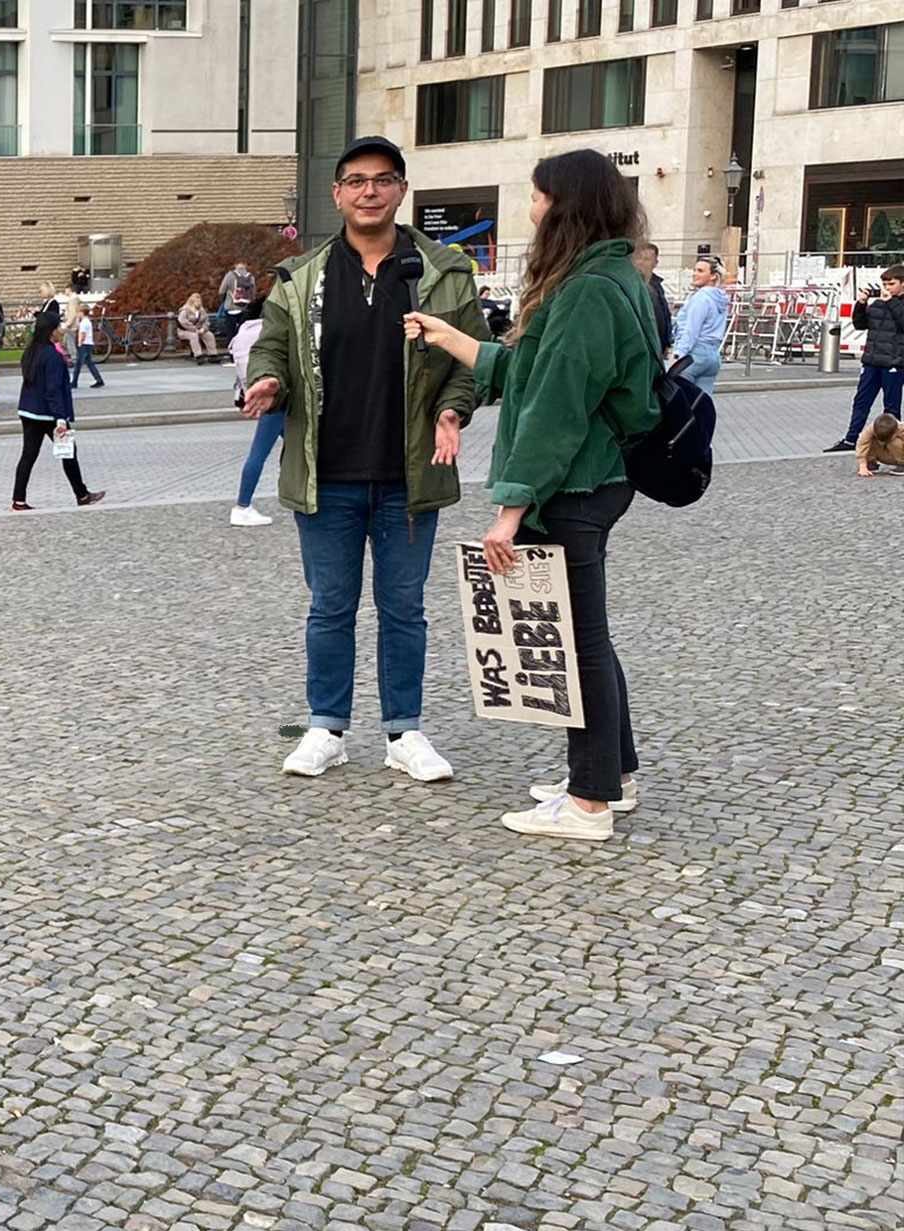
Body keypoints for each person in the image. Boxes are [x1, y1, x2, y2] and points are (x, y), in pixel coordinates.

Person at [405, 148, 662, 841]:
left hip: (575, 485)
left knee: (579, 645)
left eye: (538, 197)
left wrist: (509, 511)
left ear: (566, 207)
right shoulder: (611, 274)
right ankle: (614, 776)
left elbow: (555, 407)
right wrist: (450, 336)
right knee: (591, 640)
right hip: (594, 480)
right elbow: (528, 370)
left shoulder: (585, 290)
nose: (531, 208)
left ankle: (588, 803)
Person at [241, 135, 484, 784]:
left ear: (402, 189)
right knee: (330, 608)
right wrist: (269, 381)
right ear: (337, 193)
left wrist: (454, 410)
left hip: (411, 477)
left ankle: (405, 731)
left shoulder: (442, 272)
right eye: (356, 181)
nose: (369, 191)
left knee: (404, 609)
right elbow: (272, 348)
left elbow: (472, 360)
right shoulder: (301, 277)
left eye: (382, 180)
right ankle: (327, 727)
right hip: (328, 476)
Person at [12, 307, 105, 511]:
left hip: (28, 410)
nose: (62, 329)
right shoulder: (52, 356)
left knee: (28, 455)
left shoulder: (30, 352)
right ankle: (81, 494)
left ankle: (18, 499)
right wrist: (61, 419)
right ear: (51, 331)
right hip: (47, 413)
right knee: (68, 451)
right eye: (59, 326)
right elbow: (53, 390)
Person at [830, 266, 904, 453]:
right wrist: (861, 304)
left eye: (892, 284)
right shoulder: (879, 303)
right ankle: (851, 438)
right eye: (885, 283)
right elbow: (860, 324)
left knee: (891, 407)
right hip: (871, 360)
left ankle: (894, 447)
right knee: (861, 401)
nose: (887, 287)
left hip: (894, 362)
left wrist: (892, 302)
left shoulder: (896, 303)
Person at [226, 296, 279, 527]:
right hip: (274, 397)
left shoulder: (242, 333)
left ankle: (313, 494)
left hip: (254, 394)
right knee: (259, 453)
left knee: (304, 447)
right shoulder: (267, 333)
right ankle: (242, 506)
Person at [668, 257, 729, 395]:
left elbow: (691, 331)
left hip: (694, 354)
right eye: (694, 270)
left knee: (681, 403)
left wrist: (677, 356)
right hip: (713, 355)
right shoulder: (721, 298)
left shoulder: (700, 298)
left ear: (713, 276)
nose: (695, 274)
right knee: (702, 405)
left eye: (700, 271)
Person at [632, 242, 673, 348]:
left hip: (658, 346)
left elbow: (665, 315)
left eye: (647, 259)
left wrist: (667, 341)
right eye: (639, 258)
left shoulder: (658, 287)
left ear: (655, 263)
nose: (641, 263)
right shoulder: (632, 286)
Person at [175, 292, 222, 363]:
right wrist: (194, 329)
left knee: (209, 335)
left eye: (200, 302)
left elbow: (206, 321)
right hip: (185, 331)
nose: (199, 303)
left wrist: (204, 328)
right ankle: (198, 355)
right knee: (193, 336)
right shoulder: (185, 310)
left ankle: (213, 354)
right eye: (197, 302)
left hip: (200, 329)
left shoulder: (202, 311)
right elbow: (182, 321)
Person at [857, 411, 904, 477]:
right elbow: (862, 444)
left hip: (897, 455)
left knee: (896, 442)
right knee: (868, 441)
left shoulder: (901, 428)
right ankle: (871, 462)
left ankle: (902, 464)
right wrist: (862, 466)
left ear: (895, 432)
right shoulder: (871, 429)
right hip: (881, 455)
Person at [72, 304, 106, 388]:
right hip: (88, 344)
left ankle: (74, 382)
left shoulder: (83, 323)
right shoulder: (87, 321)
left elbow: (82, 334)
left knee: (78, 364)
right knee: (89, 363)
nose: (77, 314)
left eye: (78, 312)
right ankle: (99, 380)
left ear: (82, 313)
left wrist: (80, 342)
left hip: (84, 344)